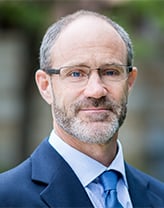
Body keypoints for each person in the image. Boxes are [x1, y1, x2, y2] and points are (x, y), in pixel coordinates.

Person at [0, 10, 164, 208]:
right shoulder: (6, 198)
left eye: (111, 72)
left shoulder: (159, 197)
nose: (96, 91)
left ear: (129, 81)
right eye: (76, 73)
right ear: (45, 86)